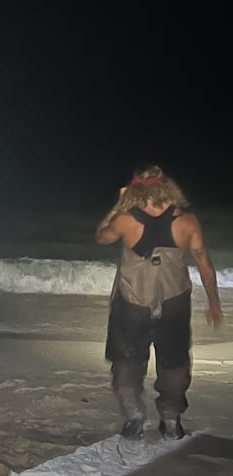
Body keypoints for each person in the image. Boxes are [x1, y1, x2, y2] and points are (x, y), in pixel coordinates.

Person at [95, 164, 223, 441]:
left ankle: (134, 417)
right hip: (173, 304)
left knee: (126, 362)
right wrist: (214, 302)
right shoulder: (187, 222)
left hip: (132, 304)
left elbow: (101, 236)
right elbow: (203, 262)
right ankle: (171, 419)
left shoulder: (125, 220)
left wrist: (118, 204)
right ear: (167, 187)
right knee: (175, 364)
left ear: (135, 189)